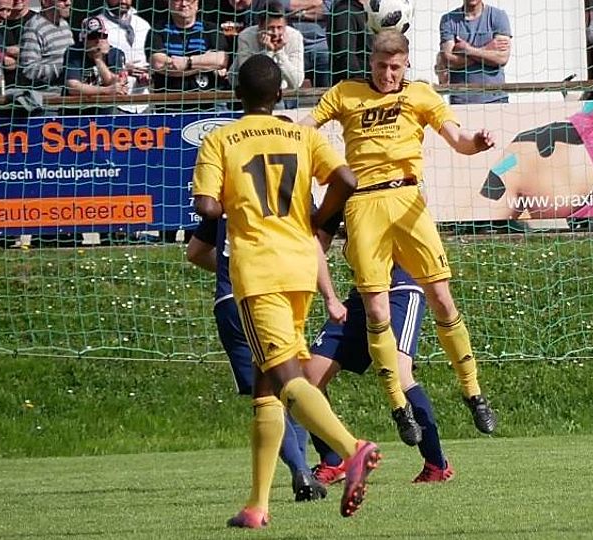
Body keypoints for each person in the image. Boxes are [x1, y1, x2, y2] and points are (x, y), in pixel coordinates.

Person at [192, 54, 378, 528]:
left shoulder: (220, 139)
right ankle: (257, 505)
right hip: (300, 265)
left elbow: (208, 208)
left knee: (286, 379)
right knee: (266, 388)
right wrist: (319, 219)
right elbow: (347, 180)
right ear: (280, 95)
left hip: (258, 270)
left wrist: (229, 200)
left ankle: (351, 448)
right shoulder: (303, 135)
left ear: (237, 94)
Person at [300, 30, 497, 447]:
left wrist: (476, 144)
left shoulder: (420, 94)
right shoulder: (345, 93)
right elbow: (306, 127)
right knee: (376, 310)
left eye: (395, 67)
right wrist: (277, 131)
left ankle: (473, 391)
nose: (387, 75)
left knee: (441, 297)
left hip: (407, 198)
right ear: (370, 62)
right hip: (363, 204)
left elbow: (457, 139)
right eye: (380, 66)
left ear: (406, 64)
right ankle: (397, 405)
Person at [186, 216, 327, 503]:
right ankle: (316, 464)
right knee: (290, 385)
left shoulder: (227, 200)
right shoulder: (285, 198)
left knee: (266, 397)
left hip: (231, 301)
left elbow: (195, 252)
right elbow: (314, 241)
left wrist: (228, 268)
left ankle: (300, 471)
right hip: (274, 297)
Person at [305, 214, 455, 484]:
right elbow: (319, 238)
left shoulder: (396, 191)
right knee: (308, 378)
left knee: (399, 373)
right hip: (363, 293)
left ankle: (436, 464)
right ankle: (333, 461)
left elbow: (416, 202)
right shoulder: (341, 193)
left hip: (400, 288)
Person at [146, 0, 229, 112]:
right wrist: (204, 63)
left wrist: (187, 62)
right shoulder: (157, 30)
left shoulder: (211, 29)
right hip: (168, 106)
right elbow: (158, 64)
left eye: (189, 0)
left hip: (206, 105)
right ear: (169, 3)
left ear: (197, 4)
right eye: (178, 0)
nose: (184, 4)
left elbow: (221, 60)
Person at [435, 0, 511, 104]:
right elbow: (448, 60)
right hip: (461, 101)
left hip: (496, 99)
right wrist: (487, 50)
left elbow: (502, 58)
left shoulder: (498, 16)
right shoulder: (448, 20)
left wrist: (467, 50)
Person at [231, 2, 305, 94]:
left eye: (279, 27)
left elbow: (297, 82)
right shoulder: (245, 37)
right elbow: (249, 80)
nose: (275, 33)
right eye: (271, 28)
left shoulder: (295, 36)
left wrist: (279, 52)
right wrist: (268, 52)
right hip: (251, 93)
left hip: (285, 92)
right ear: (260, 26)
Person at [95, 0, 152, 114]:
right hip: (113, 104)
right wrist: (123, 68)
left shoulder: (143, 25)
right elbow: (90, 62)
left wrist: (147, 76)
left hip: (143, 102)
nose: (123, 1)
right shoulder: (96, 25)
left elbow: (149, 60)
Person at [63, 16, 128, 115]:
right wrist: (106, 90)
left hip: (105, 111)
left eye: (102, 36)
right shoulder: (73, 52)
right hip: (76, 111)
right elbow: (73, 87)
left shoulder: (116, 53)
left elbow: (117, 83)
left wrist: (98, 60)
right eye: (92, 37)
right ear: (84, 40)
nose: (98, 40)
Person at [19, 0, 73, 92]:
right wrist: (63, 69)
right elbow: (28, 70)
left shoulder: (64, 24)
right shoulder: (34, 27)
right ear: (45, 2)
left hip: (68, 88)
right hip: (49, 94)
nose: (68, 3)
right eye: (62, 0)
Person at [327, 0, 369, 83]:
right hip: (357, 84)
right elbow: (346, 57)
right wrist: (360, 82)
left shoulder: (370, 9)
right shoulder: (345, 12)